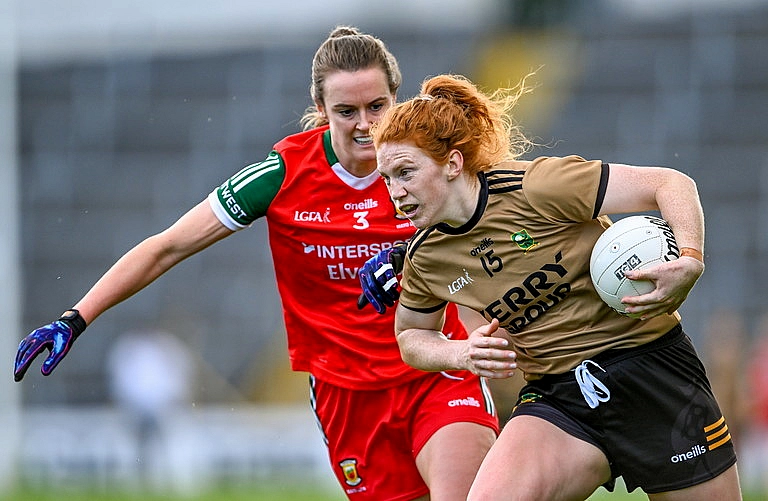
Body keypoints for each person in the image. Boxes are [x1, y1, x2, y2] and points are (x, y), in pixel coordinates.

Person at [13, 28, 501, 500]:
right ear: (320, 111)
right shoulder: (281, 175)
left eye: (377, 106)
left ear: (396, 98)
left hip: (437, 369)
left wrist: (410, 260)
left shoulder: (429, 163)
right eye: (346, 111)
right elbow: (167, 247)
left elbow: (491, 232)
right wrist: (76, 318)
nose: (366, 125)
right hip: (345, 395)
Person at [359, 73, 742, 500]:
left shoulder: (535, 187)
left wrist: (690, 258)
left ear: (452, 164)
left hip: (654, 372)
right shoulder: (424, 256)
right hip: (559, 399)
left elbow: (670, 183)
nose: (395, 192)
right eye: (387, 178)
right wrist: (460, 352)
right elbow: (411, 335)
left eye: (405, 172)